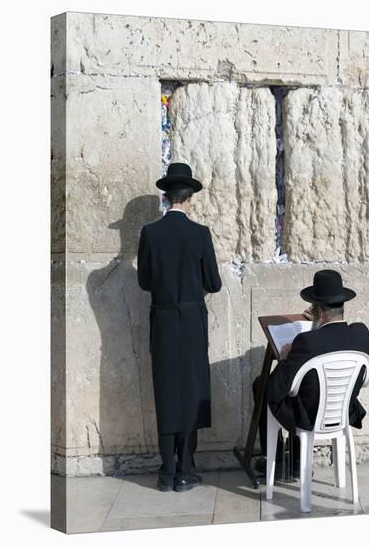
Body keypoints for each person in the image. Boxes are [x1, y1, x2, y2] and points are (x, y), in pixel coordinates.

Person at [137, 162, 222, 492]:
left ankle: (167, 470)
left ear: (165, 197)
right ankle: (186, 468)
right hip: (191, 321)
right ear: (190, 198)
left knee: (166, 391)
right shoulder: (199, 234)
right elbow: (213, 283)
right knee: (191, 391)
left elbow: (145, 281)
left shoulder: (150, 233)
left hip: (162, 320)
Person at [252, 269, 369, 476]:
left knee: (262, 385)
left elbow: (275, 391)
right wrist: (318, 326)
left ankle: (278, 461)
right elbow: (331, 341)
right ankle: (298, 462)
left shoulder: (306, 342)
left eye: (313, 307)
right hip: (343, 412)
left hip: (309, 418)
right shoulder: (361, 334)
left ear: (321, 312)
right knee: (305, 388)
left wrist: (287, 357)